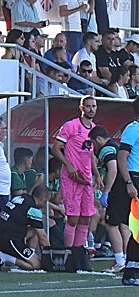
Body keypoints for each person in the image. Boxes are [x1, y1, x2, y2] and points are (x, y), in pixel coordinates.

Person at [51, 96, 98, 271]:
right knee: (73, 218)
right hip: (71, 178)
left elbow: (91, 153)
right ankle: (68, 254)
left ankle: (79, 255)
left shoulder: (93, 129)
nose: (91, 109)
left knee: (86, 217)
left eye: (94, 106)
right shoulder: (71, 126)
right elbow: (55, 148)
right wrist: (69, 165)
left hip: (86, 179)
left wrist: (96, 175)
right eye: (88, 106)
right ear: (81, 107)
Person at [91, 124, 132, 274]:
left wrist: (106, 191)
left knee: (111, 224)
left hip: (118, 190)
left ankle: (120, 260)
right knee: (124, 225)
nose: (93, 147)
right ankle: (129, 259)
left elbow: (113, 168)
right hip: (127, 187)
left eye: (93, 143)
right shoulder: (117, 145)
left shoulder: (106, 149)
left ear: (99, 139)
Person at [0, 185, 52, 271]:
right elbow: (43, 238)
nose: (46, 204)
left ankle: (30, 254)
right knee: (36, 265)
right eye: (46, 201)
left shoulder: (21, 198)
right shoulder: (34, 209)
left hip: (0, 233)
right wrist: (51, 255)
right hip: (10, 239)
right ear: (42, 199)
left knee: (34, 231)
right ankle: (4, 257)